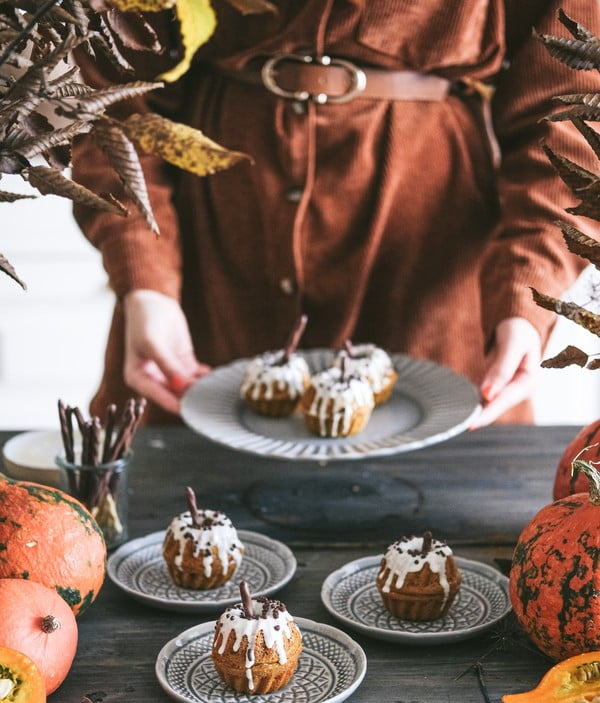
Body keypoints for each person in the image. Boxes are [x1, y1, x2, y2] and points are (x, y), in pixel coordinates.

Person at [71, 0, 600, 426]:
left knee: (446, 529)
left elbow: (569, 114)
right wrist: (146, 280)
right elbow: (108, 89)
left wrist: (528, 292)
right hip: (209, 244)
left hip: (432, 250)